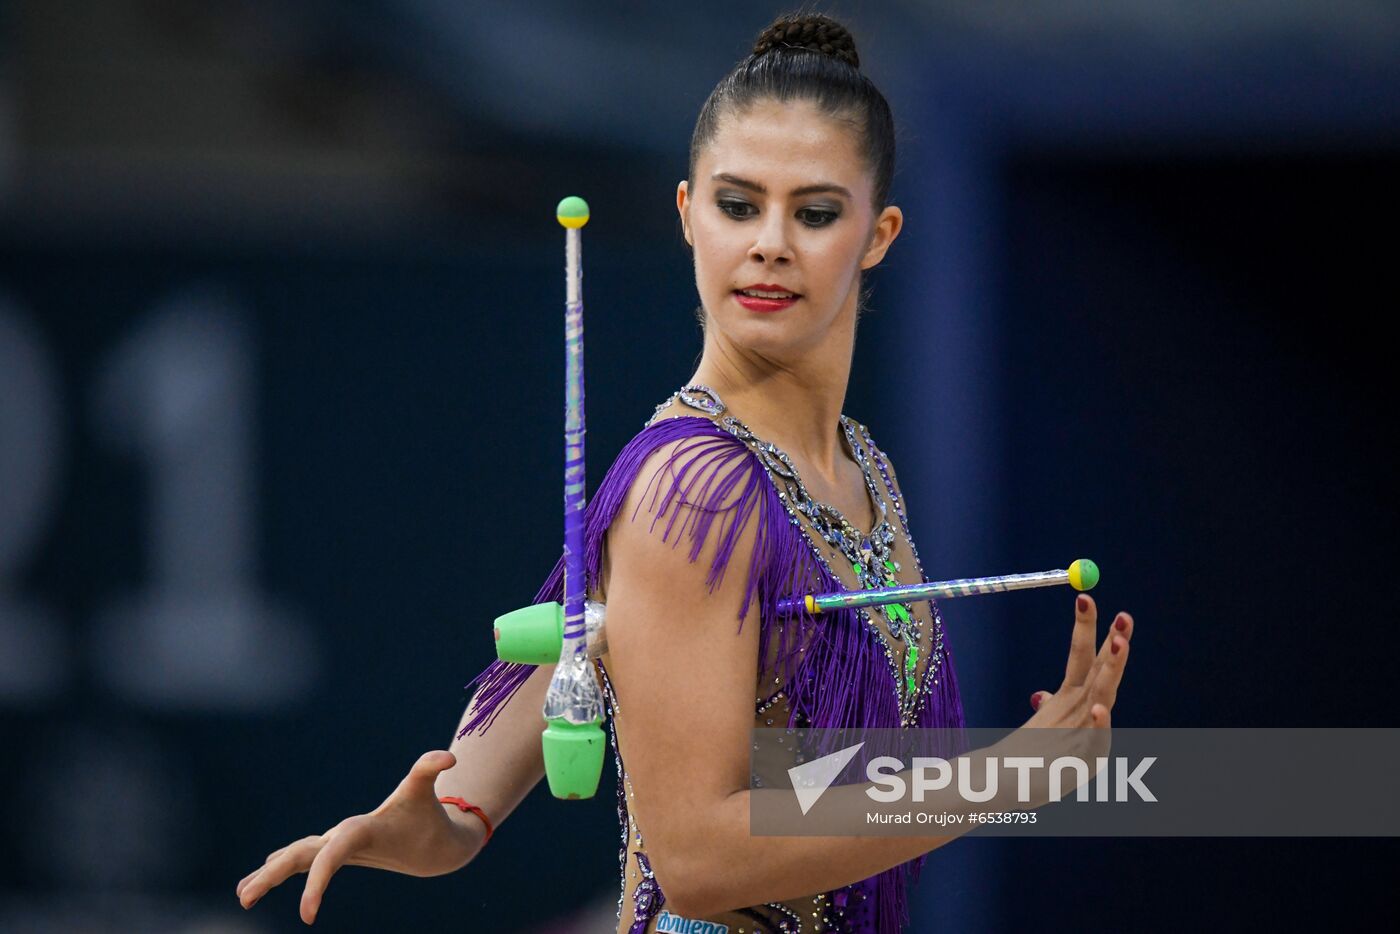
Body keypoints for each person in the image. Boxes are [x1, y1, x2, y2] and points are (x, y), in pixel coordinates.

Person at [235, 12, 1135, 933]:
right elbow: (699, 860)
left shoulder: (860, 465)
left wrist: (456, 816)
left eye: (815, 213)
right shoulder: (697, 490)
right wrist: (998, 778)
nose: (770, 243)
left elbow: (599, 649)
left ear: (879, 233)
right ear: (687, 214)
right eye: (738, 205)